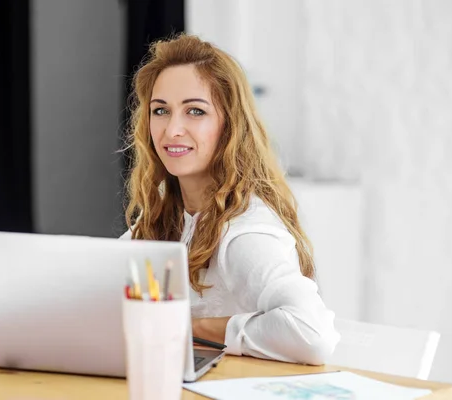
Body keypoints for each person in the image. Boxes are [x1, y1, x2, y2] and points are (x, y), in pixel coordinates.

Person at [119, 34, 340, 365]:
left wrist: (192, 327)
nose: (172, 129)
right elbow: (99, 290)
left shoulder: (244, 231)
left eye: (195, 111)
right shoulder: (167, 214)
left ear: (230, 125)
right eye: (161, 110)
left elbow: (312, 335)